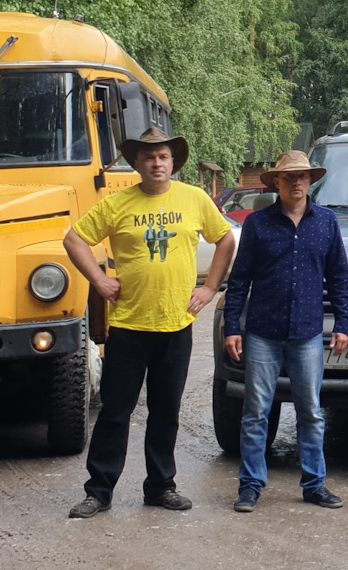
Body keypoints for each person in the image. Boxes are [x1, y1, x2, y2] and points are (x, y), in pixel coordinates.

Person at [64, 128, 235, 518]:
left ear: (173, 162)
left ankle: (160, 486)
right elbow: (74, 239)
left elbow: (225, 239)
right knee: (115, 412)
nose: (157, 163)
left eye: (163, 157)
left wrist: (210, 288)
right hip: (128, 326)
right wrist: (99, 279)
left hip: (176, 325)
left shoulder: (194, 199)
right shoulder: (117, 204)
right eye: (149, 158)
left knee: (165, 411)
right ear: (136, 164)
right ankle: (99, 491)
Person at [220, 150, 348, 513]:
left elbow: (339, 277)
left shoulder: (326, 222)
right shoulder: (258, 224)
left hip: (308, 333)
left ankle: (314, 484)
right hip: (262, 331)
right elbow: (240, 280)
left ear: (311, 181)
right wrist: (233, 326)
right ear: (276, 182)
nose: (297, 182)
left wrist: (343, 323)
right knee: (255, 412)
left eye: (303, 176)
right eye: (289, 177)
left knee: (310, 411)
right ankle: (249, 487)